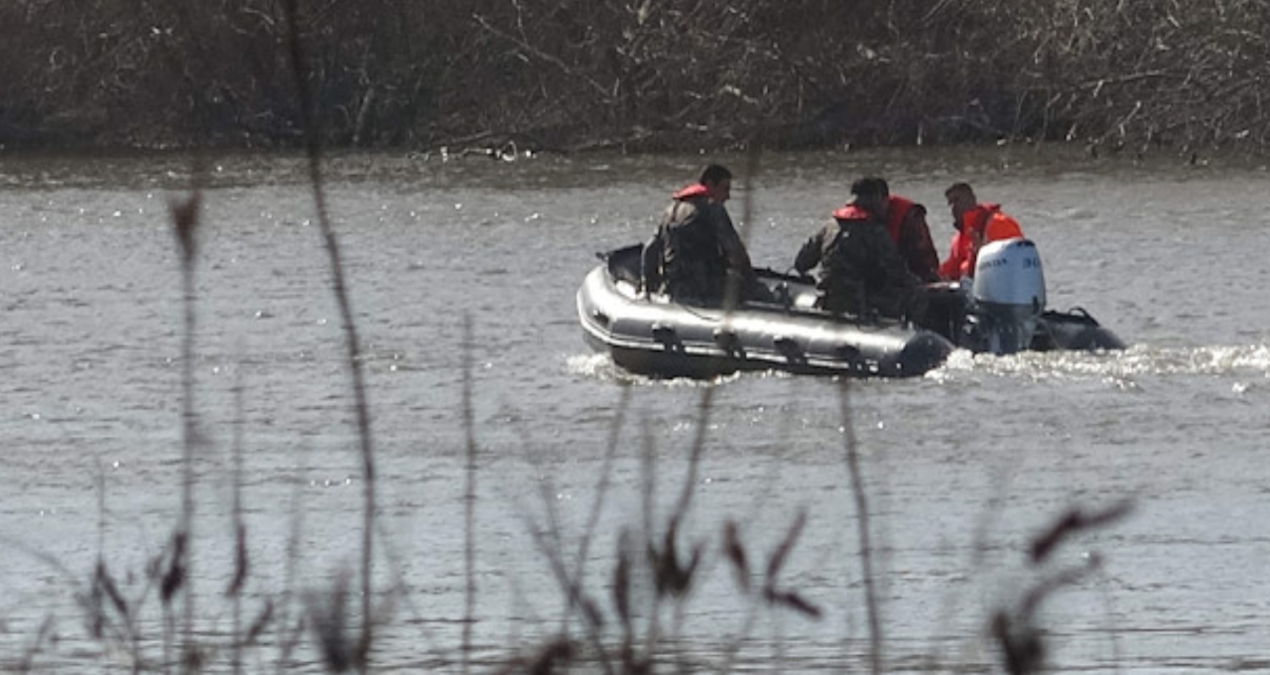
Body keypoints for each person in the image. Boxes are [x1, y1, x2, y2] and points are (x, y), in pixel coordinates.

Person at [793, 177, 925, 321]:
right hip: (860, 303)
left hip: (827, 299)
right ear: (876, 199)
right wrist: (922, 285)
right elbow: (898, 272)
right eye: (885, 201)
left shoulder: (830, 225)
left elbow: (801, 262)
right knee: (917, 295)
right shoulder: (874, 231)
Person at [641, 164, 760, 306]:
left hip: (673, 287)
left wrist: (647, 285)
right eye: (725, 189)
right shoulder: (712, 208)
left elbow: (650, 249)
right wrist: (752, 281)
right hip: (704, 288)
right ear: (710, 184)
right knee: (756, 291)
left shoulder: (670, 210)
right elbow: (734, 250)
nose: (728, 196)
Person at [939, 182, 1025, 280]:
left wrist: (981, 253)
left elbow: (1016, 260)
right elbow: (951, 269)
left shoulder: (999, 224)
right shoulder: (959, 239)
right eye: (951, 204)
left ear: (972, 199)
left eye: (958, 200)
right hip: (971, 289)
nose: (955, 207)